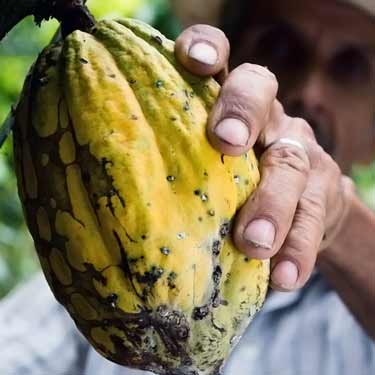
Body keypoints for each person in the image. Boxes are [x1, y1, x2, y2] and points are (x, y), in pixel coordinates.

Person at [1, 0, 374, 374]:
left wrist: (339, 219)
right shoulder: (97, 266)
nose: (310, 92)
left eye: (351, 67)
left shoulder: (354, 317)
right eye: (279, 47)